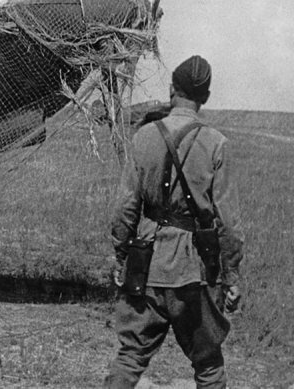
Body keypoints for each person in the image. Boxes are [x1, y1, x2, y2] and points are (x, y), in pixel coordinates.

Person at [105, 55, 244, 388]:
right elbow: (227, 222)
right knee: (209, 365)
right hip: (194, 271)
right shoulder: (216, 144)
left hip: (146, 262)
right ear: (205, 97)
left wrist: (121, 257)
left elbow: (125, 208)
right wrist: (232, 275)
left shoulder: (143, 137)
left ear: (171, 90)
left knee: (129, 357)